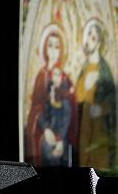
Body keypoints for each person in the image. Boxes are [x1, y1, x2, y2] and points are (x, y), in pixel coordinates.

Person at [25, 26, 78, 167]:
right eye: (50, 46)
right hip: (44, 128)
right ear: (45, 49)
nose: (53, 51)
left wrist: (60, 138)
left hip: (62, 132)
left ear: (61, 51)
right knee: (47, 149)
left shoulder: (65, 78)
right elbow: (37, 108)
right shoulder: (41, 76)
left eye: (57, 47)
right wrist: (46, 129)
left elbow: (70, 112)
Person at [75, 19, 116, 168]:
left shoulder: (104, 69)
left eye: (93, 38)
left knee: (99, 161)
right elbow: (77, 96)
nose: (88, 41)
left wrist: (101, 109)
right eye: (88, 36)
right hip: (85, 123)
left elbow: (112, 99)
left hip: (99, 125)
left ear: (99, 43)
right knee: (84, 160)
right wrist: (85, 87)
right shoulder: (84, 68)